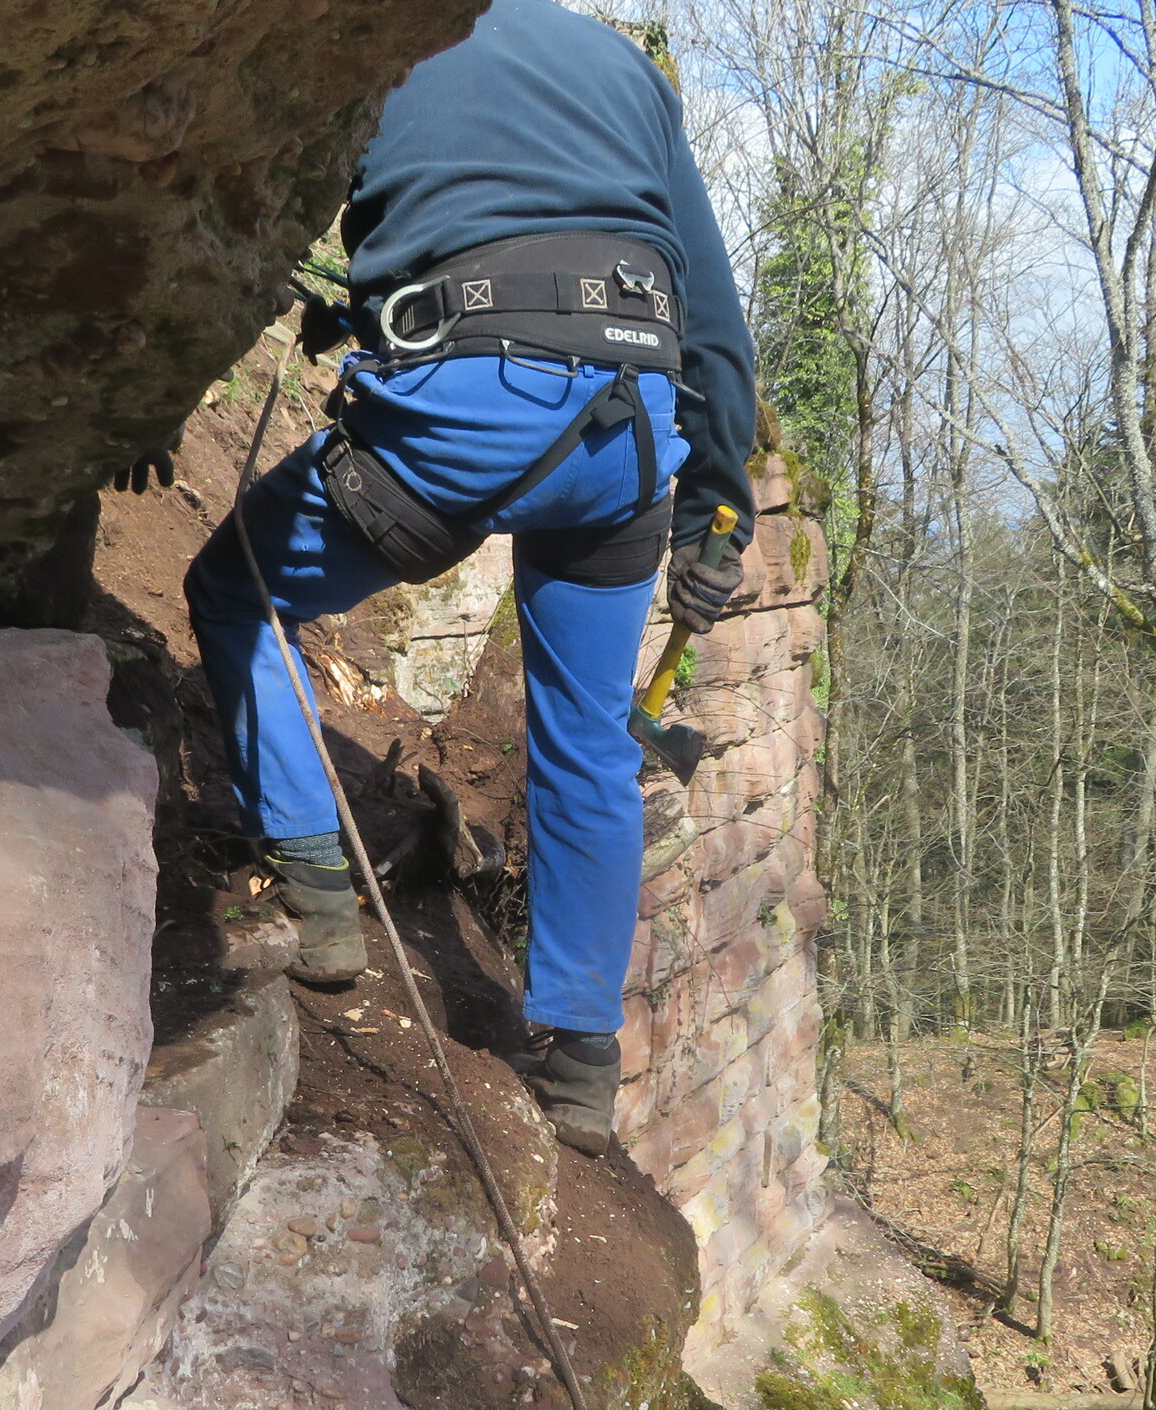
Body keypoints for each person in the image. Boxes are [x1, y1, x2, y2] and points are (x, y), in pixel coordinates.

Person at [183, 0, 755, 1155]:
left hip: (467, 410)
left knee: (237, 589)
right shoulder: (626, 70)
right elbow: (714, 316)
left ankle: (317, 893)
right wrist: (717, 517)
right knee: (587, 736)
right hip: (627, 438)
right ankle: (581, 1061)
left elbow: (251, 220)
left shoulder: (376, 36)